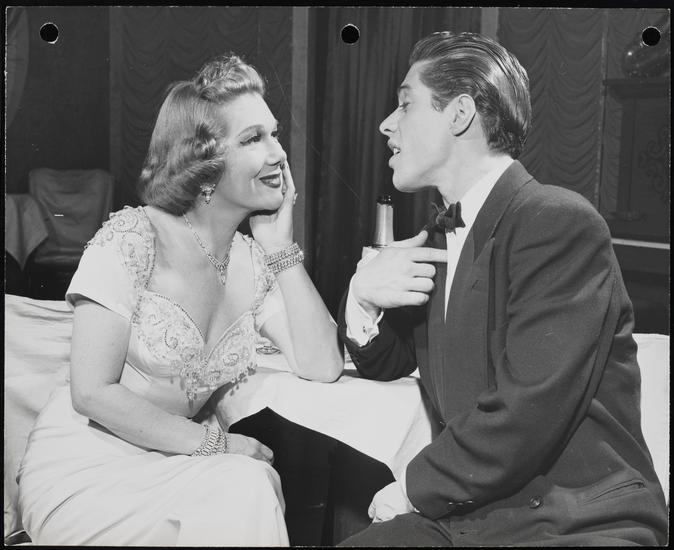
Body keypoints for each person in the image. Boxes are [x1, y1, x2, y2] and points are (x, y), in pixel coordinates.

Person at [337, 31, 668, 546]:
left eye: (405, 103)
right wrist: (361, 297)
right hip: (474, 519)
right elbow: (390, 361)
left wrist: (412, 487)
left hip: (576, 523)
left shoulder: (556, 222)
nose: (386, 123)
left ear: (460, 113)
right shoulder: (440, 238)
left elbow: (527, 413)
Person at [17, 53, 344, 546]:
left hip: (179, 463)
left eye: (274, 134)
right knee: (246, 484)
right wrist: (216, 444)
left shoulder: (254, 262)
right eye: (253, 138)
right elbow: (92, 392)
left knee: (249, 487)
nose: (279, 153)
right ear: (203, 164)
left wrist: (281, 249)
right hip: (88, 463)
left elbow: (322, 364)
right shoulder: (132, 239)